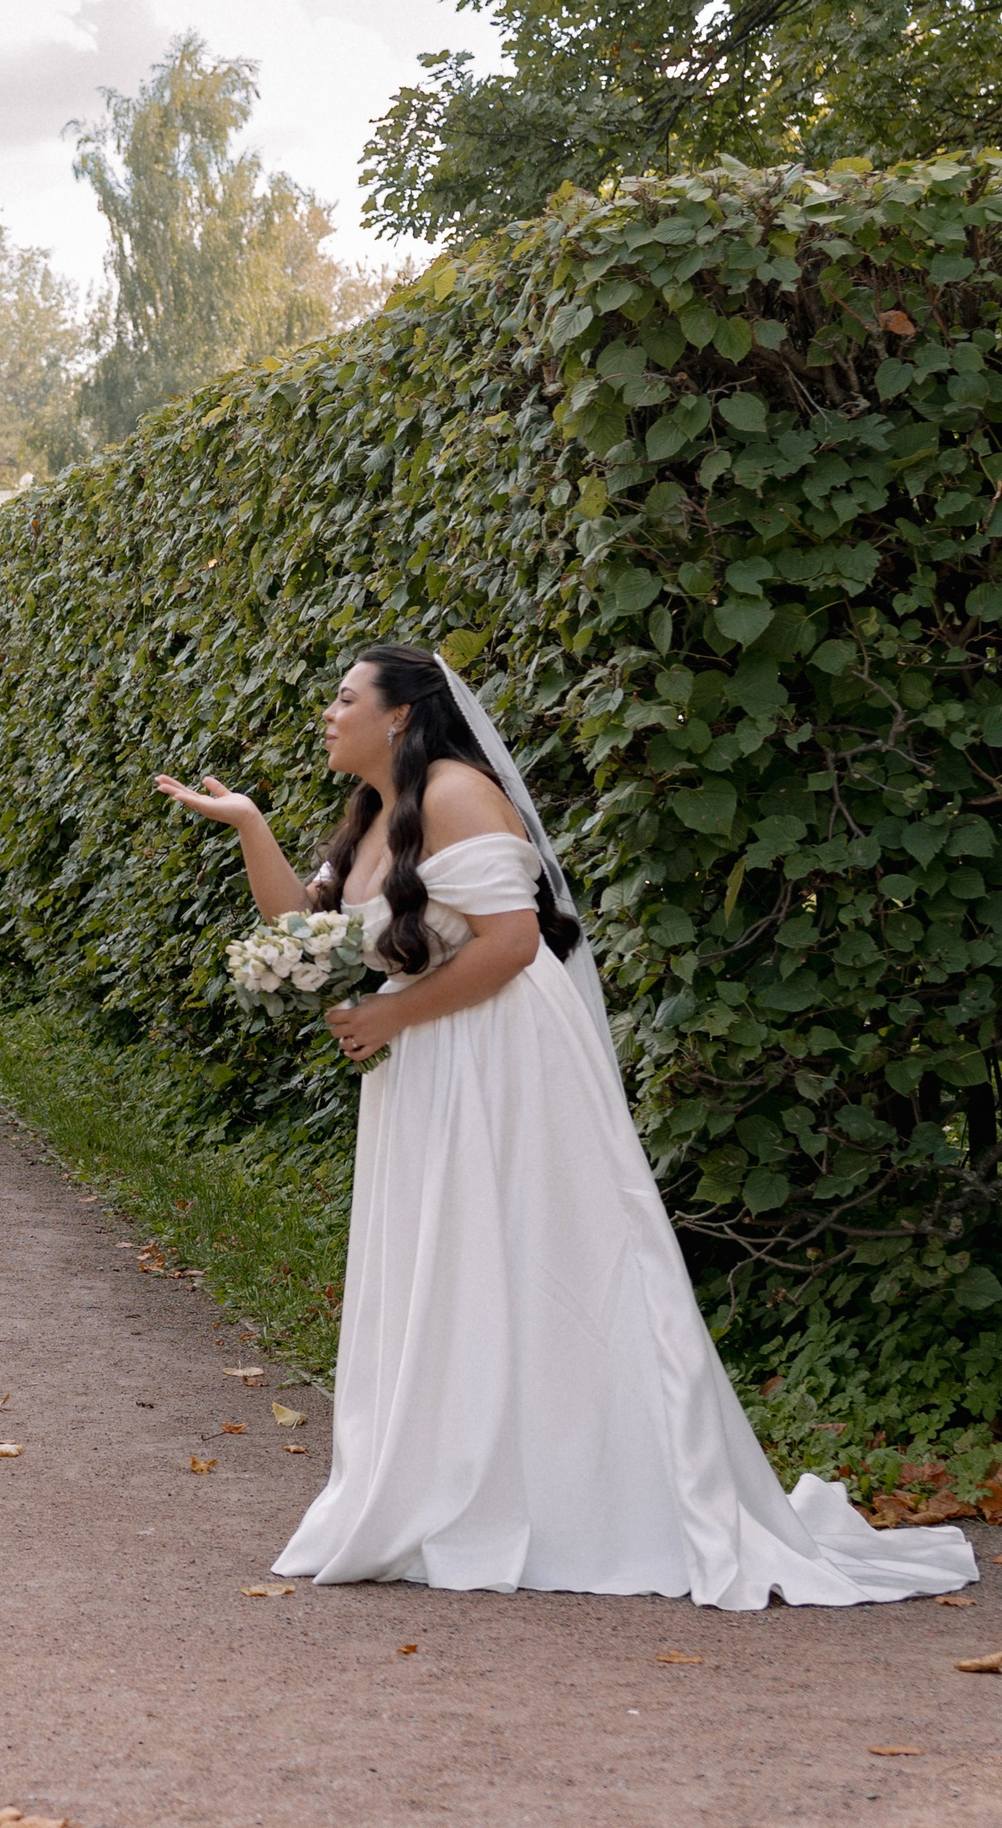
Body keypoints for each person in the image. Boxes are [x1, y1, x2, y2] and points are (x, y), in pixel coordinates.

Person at [154, 643, 976, 1610]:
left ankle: (578, 1493)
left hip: (501, 1055)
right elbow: (302, 921)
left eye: (345, 698)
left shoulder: (457, 792)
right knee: (454, 1260)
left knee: (537, 1249)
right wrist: (248, 822)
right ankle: (457, 1474)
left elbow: (512, 943)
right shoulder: (377, 813)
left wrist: (386, 1015)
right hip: (434, 1061)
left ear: (402, 716)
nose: (327, 713)